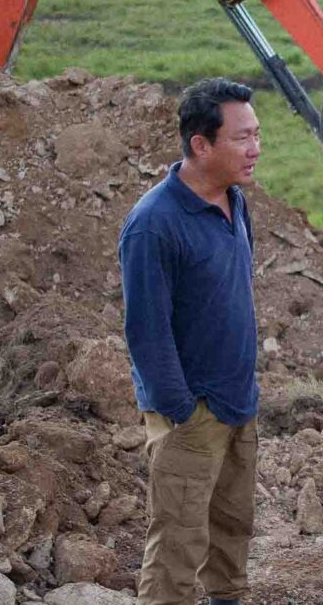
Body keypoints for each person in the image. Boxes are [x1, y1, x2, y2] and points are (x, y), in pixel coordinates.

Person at [119, 77, 262, 605]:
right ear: (200, 145)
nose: (255, 148)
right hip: (191, 413)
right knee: (177, 545)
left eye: (257, 134)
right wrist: (182, 409)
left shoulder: (235, 202)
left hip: (238, 401)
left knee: (231, 532)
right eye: (241, 138)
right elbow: (145, 331)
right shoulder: (153, 224)